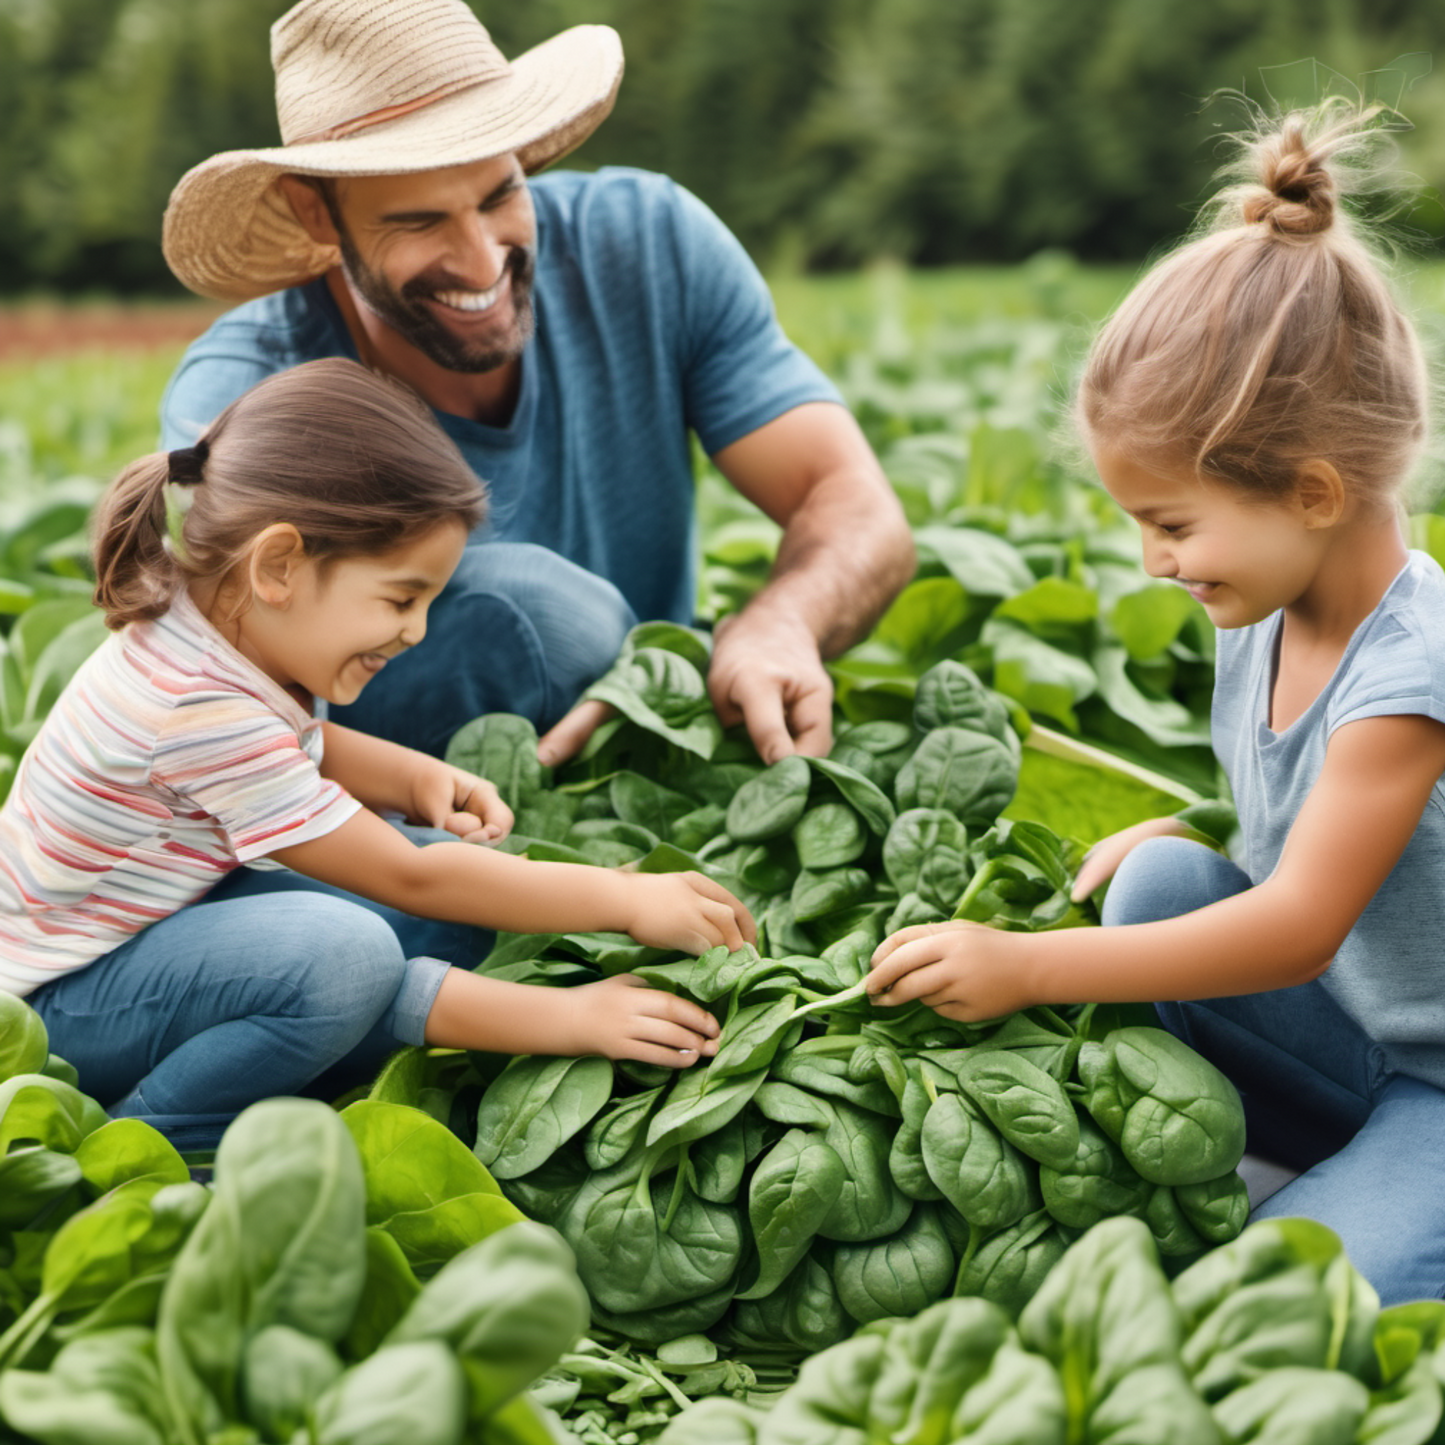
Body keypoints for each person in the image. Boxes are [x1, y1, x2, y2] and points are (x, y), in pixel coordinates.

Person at [864, 102, 1445, 1304]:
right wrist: (1198, 823)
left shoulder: (1407, 678)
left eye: (1169, 523)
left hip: (1432, 1074)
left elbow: (1296, 926)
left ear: (1312, 491)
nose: (1151, 561)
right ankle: (1352, 1175)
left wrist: (1028, 965)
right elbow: (1307, 821)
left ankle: (1368, 1200)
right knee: (1160, 883)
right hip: (1361, 1035)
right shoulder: (1266, 603)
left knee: (1288, 1299)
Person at [0, 358, 753, 1149]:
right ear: (279, 565)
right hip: (59, 1002)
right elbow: (409, 876)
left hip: (158, 926)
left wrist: (410, 774)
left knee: (443, 922)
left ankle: (300, 1038)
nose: (417, 630)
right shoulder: (196, 704)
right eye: (401, 597)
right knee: (350, 954)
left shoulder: (219, 619)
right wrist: (606, 940)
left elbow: (292, 747)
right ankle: (162, 1133)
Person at [158, 0, 915, 768]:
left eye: (500, 196)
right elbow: (212, 707)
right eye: (419, 222)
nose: (482, 262)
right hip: (393, 802)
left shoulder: (650, 246)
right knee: (542, 614)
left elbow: (853, 501)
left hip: (670, 762)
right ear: (315, 212)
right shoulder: (249, 397)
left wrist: (781, 623)